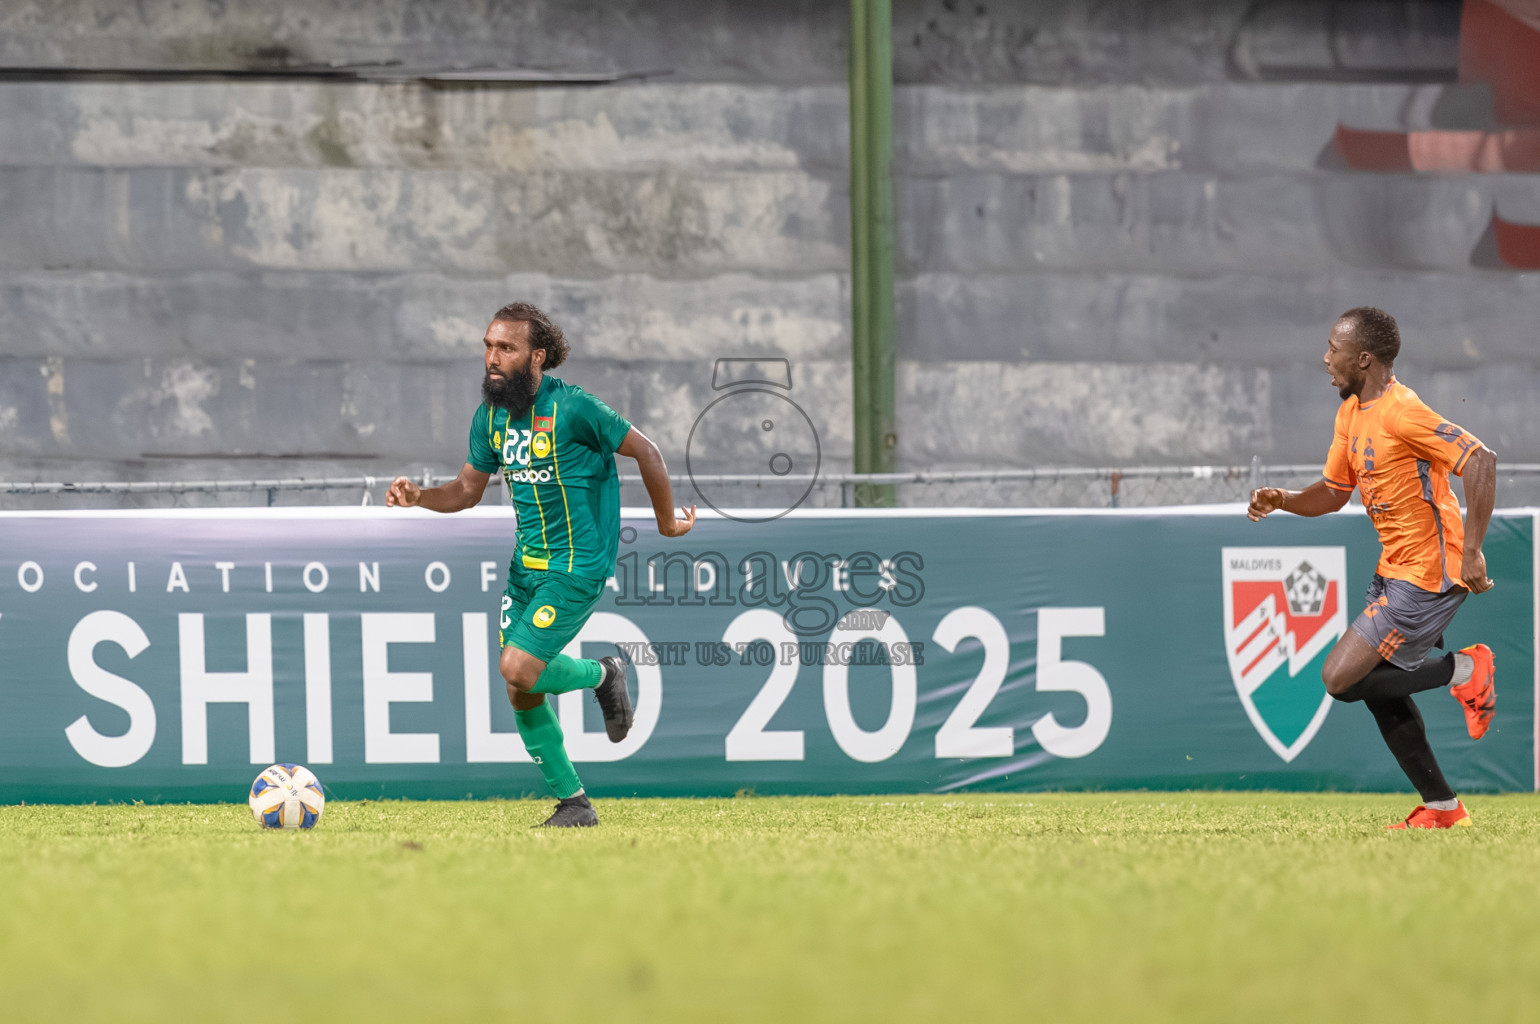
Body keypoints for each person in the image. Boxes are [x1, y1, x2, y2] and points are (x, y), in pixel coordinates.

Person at [387, 302, 696, 827]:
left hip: (576, 566)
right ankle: (574, 805)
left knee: (517, 668)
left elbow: (647, 452)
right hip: (525, 568)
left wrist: (666, 523)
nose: (493, 357)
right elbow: (466, 491)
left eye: (506, 348)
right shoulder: (490, 417)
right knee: (520, 688)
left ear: (537, 357)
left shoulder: (574, 408)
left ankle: (604, 673)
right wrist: (420, 497)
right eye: (488, 346)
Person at [1248, 307, 1498, 829]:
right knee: (1381, 689)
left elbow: (1480, 460)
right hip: (1395, 569)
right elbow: (1334, 492)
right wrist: (1285, 500)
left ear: (1363, 359)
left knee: (1339, 679)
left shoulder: (1402, 412)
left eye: (1333, 349)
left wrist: (1473, 550)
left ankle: (1466, 669)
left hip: (1429, 573)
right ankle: (1444, 809)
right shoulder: (1351, 413)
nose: (1325, 359)